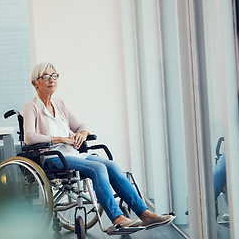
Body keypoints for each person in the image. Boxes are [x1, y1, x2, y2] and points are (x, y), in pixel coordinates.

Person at [23, 62, 175, 228]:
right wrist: (61, 139)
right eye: (46, 77)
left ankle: (145, 214)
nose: (52, 80)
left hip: (71, 154)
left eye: (54, 76)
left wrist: (81, 134)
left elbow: (82, 126)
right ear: (35, 83)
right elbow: (29, 138)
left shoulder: (59, 104)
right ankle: (118, 218)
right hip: (53, 157)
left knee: (111, 165)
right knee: (98, 168)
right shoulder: (31, 107)